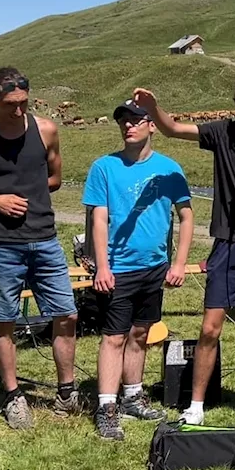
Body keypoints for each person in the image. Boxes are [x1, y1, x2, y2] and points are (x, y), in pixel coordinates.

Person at [135, 73, 235, 428]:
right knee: (210, 328)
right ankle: (196, 404)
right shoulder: (223, 132)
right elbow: (174, 130)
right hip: (227, 243)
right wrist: (153, 108)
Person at [0, 67, 81, 430]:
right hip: (1, 244)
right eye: (11, 104)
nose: (18, 111)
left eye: (24, 103)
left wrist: (31, 194)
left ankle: (66, 390)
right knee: (3, 320)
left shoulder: (45, 129)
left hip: (44, 237)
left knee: (67, 314)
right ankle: (13, 396)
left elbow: (56, 177)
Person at [83, 100, 194, 440]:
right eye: (123, 121)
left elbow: (186, 216)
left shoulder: (169, 169)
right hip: (118, 268)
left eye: (135, 120)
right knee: (113, 336)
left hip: (154, 267)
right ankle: (106, 407)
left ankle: (132, 395)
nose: (128, 126)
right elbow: (97, 219)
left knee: (141, 334)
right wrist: (102, 266)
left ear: (151, 126)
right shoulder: (104, 167)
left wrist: (178, 264)